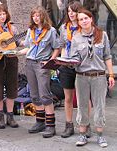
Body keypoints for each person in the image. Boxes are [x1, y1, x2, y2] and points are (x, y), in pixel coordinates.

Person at [71, 9, 115, 148]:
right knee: (82, 106)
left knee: (100, 106)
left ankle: (100, 136)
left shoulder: (102, 35)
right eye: (80, 19)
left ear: (91, 19)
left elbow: (107, 56)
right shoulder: (76, 37)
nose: (83, 21)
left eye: (86, 18)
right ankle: (83, 134)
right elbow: (74, 58)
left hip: (99, 76)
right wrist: (68, 62)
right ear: (78, 22)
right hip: (81, 76)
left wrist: (111, 75)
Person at [18, 5, 60, 138]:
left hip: (42, 65)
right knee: (34, 95)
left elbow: (57, 48)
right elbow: (29, 48)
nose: (36, 18)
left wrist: (50, 61)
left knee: (45, 95)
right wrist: (16, 53)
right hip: (30, 63)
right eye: (34, 16)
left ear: (43, 16)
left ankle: (50, 126)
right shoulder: (31, 30)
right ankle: (40, 122)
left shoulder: (51, 31)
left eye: (38, 15)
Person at [58, 1, 90, 138]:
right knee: (68, 98)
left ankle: (86, 125)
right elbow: (62, 46)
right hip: (67, 66)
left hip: (82, 66)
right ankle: (69, 125)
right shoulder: (64, 28)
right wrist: (61, 60)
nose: (71, 14)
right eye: (69, 11)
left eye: (73, 11)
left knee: (84, 98)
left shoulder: (84, 28)